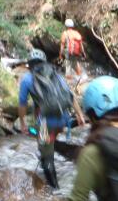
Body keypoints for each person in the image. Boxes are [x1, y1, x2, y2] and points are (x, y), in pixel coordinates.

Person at [18, 48, 85, 189]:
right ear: (44, 62)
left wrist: (22, 123)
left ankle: (55, 190)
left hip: (45, 124)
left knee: (45, 154)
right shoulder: (56, 75)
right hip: (63, 119)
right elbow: (70, 96)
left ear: (29, 64)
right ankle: (51, 143)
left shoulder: (27, 79)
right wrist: (80, 115)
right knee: (48, 137)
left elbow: (22, 104)